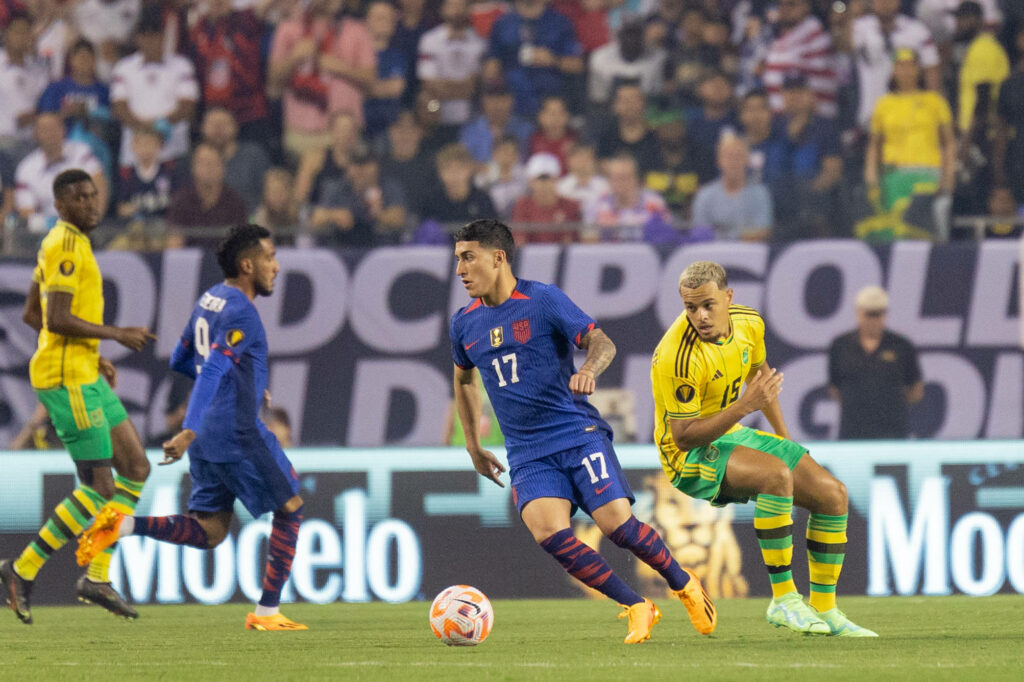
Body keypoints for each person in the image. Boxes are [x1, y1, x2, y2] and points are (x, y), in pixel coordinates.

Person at [449, 219, 716, 644]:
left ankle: (683, 583)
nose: (460, 269)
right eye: (458, 259)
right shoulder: (464, 323)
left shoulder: (542, 300)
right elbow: (464, 380)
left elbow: (601, 341)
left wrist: (589, 368)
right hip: (527, 451)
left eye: (468, 257)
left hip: (576, 432)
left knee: (618, 528)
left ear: (498, 258)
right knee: (548, 533)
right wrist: (472, 444)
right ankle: (637, 606)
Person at [77, 224, 307, 632]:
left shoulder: (209, 299)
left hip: (208, 439)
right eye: (270, 257)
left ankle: (123, 525)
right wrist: (188, 428)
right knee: (291, 509)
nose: (276, 266)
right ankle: (267, 612)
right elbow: (214, 366)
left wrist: (246, 384)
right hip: (236, 433)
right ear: (247, 265)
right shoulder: (242, 312)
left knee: (211, 530)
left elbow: (182, 359)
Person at [651, 260, 876, 637]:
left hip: (731, 432)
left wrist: (785, 439)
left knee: (832, 494)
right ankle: (784, 600)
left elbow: (761, 377)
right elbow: (685, 437)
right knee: (775, 476)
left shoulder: (749, 323)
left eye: (708, 305)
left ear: (728, 297)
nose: (700, 316)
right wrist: (744, 406)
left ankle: (825, 608)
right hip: (687, 456)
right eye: (690, 307)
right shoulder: (678, 355)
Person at [0, 169, 155, 625]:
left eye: (93, 195)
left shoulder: (65, 243)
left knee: (136, 468)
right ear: (60, 205)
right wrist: (115, 335)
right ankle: (22, 568)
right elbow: (57, 317)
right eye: (80, 197)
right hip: (66, 379)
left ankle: (97, 577)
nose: (91, 203)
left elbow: (32, 313)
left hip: (82, 369)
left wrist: (92, 352)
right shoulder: (65, 246)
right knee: (98, 488)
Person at [827, 285, 923, 440]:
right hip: (852, 433)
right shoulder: (840, 346)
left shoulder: (902, 346)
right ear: (858, 313)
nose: (873, 320)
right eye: (869, 314)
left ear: (885, 314)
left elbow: (916, 389)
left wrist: (889, 405)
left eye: (878, 314)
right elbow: (834, 389)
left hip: (893, 434)